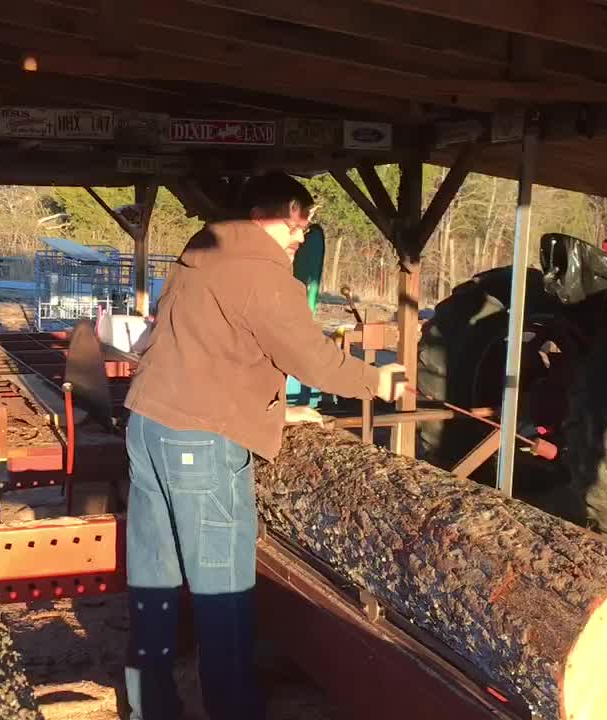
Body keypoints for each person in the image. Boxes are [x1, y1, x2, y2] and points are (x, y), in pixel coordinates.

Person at [121, 172, 407, 719]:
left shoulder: (198, 256)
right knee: (222, 590)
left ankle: (150, 707)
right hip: (200, 440)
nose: (301, 233)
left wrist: (274, 406)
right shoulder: (265, 275)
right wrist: (381, 382)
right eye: (295, 220)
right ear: (262, 215)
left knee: (153, 577)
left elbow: (212, 344)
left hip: (148, 423)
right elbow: (313, 360)